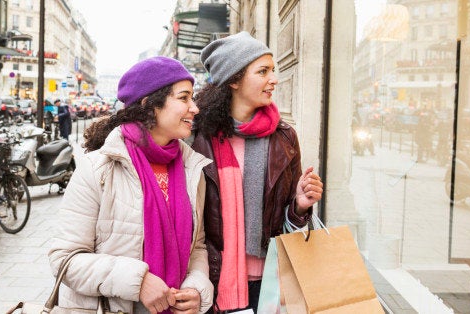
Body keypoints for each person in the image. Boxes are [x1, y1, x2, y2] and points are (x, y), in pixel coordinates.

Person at [49, 56, 214, 314]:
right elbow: (65, 260)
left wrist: (196, 287)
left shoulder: (192, 169)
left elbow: (198, 247)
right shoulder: (98, 168)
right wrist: (138, 282)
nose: (194, 108)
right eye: (184, 98)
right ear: (150, 105)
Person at [190, 31, 324, 313]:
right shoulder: (197, 138)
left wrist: (300, 205)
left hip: (271, 279)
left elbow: (289, 222)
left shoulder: (285, 137)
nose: (273, 79)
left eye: (273, 70)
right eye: (262, 71)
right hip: (214, 277)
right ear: (234, 80)